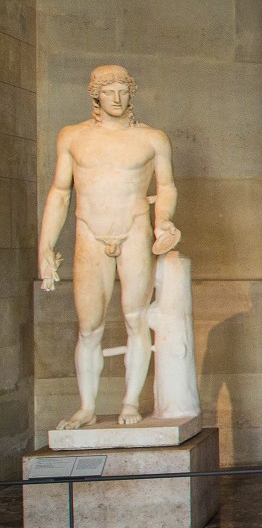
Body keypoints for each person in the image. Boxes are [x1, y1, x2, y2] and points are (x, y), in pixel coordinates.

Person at [37, 65, 180, 428]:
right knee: (89, 327)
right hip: (90, 233)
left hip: (134, 231)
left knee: (136, 319)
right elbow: (60, 193)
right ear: (95, 95)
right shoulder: (72, 137)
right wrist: (45, 247)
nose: (116, 98)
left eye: (122, 91)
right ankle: (87, 406)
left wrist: (163, 220)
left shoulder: (152, 139)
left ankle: (130, 402)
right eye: (108, 91)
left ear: (131, 93)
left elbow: (166, 187)